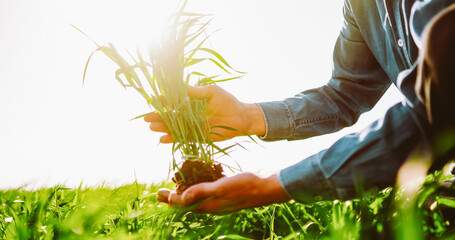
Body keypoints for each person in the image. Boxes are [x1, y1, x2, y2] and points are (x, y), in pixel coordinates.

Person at [145, 0, 455, 214]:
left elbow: (437, 108)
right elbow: (345, 93)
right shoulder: (360, 6)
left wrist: (270, 187)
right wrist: (248, 116)